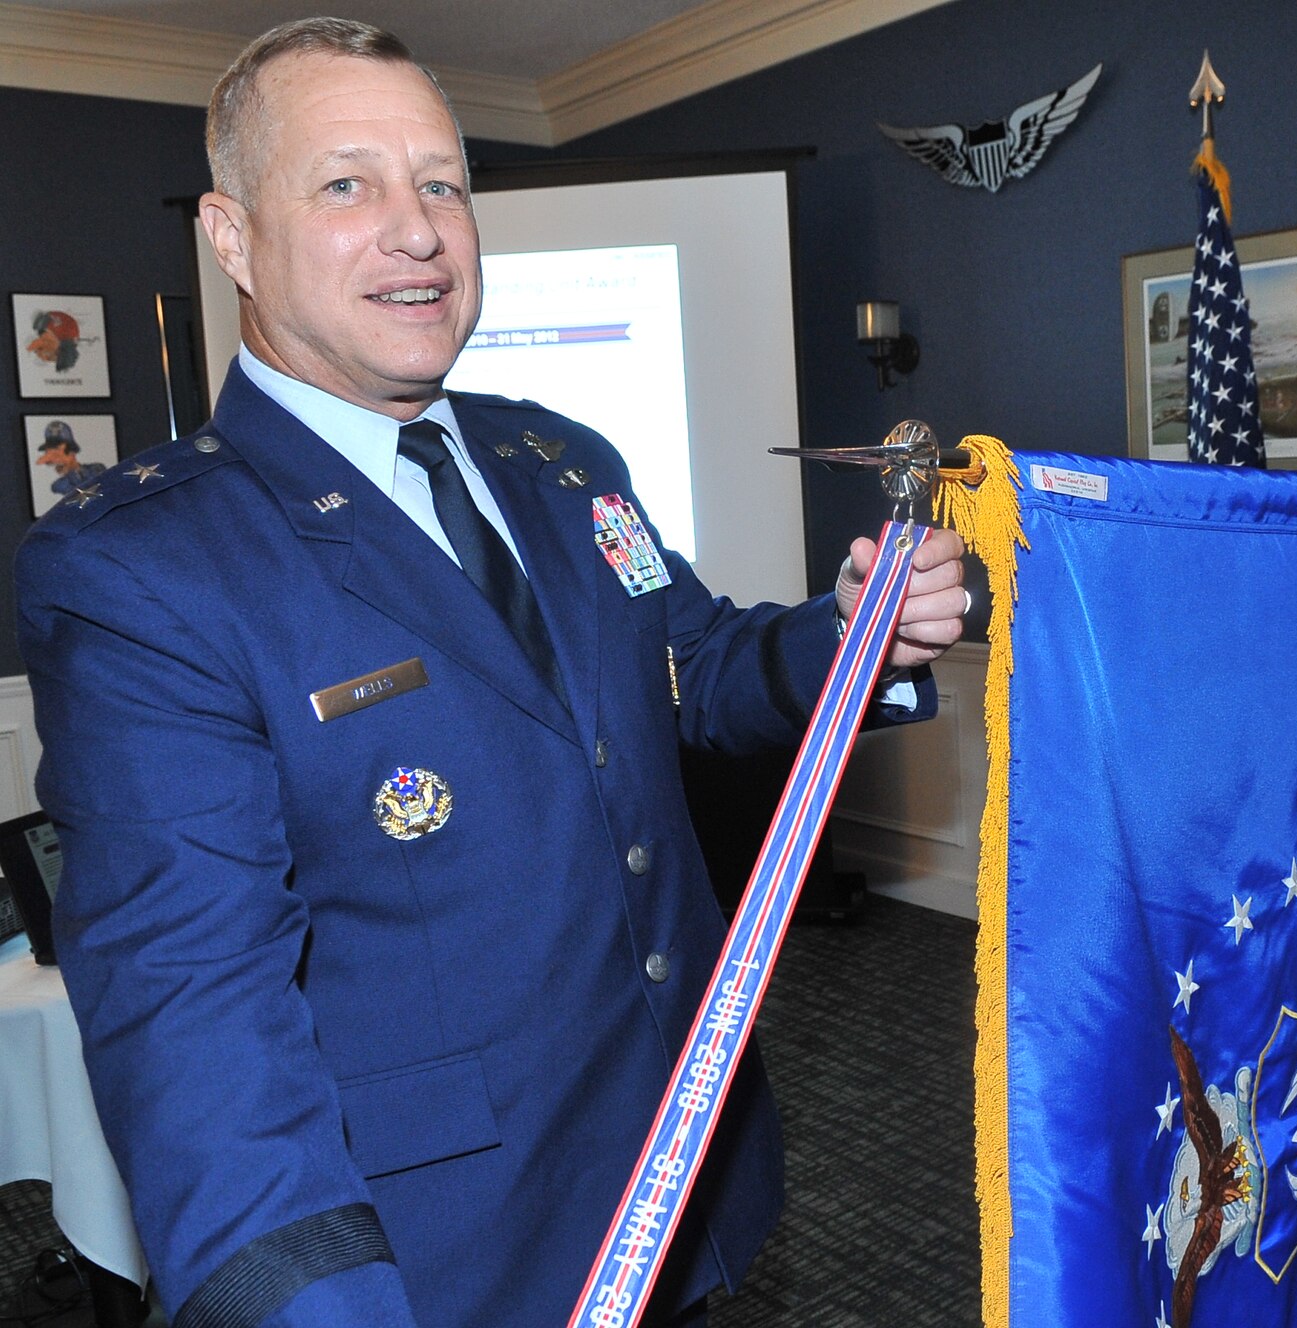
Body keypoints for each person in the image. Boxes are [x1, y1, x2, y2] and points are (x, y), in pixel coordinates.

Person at [15, 18, 968, 1328]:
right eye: (347, 183)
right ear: (233, 238)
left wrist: (852, 629)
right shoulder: (145, 567)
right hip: (450, 1255)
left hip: (687, 1168)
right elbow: (195, 1028)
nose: (418, 230)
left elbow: (687, 667)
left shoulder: (558, 461)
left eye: (444, 184)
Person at [35, 421, 106, 499]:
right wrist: (68, 472)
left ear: (72, 451)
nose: (56, 458)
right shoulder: (59, 485)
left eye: (57, 451)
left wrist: (72, 468)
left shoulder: (96, 468)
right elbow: (74, 492)